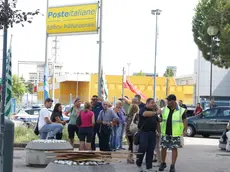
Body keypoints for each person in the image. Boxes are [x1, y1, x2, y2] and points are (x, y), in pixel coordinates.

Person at [159, 94, 188, 172]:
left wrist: (185, 130)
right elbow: (161, 119)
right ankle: (163, 163)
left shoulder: (181, 110)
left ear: (174, 101)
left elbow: (185, 120)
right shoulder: (165, 109)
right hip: (165, 132)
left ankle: (172, 165)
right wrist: (158, 119)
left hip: (175, 133)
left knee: (174, 148)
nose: (167, 102)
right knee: (163, 148)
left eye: (169, 100)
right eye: (167, 100)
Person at [136, 98, 161, 172]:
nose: (153, 104)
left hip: (152, 133)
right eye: (152, 103)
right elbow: (145, 114)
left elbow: (157, 122)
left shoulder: (154, 111)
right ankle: (139, 164)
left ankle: (149, 167)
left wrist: (159, 132)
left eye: (154, 103)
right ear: (147, 103)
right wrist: (156, 112)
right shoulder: (143, 109)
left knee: (150, 150)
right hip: (144, 133)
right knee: (142, 149)